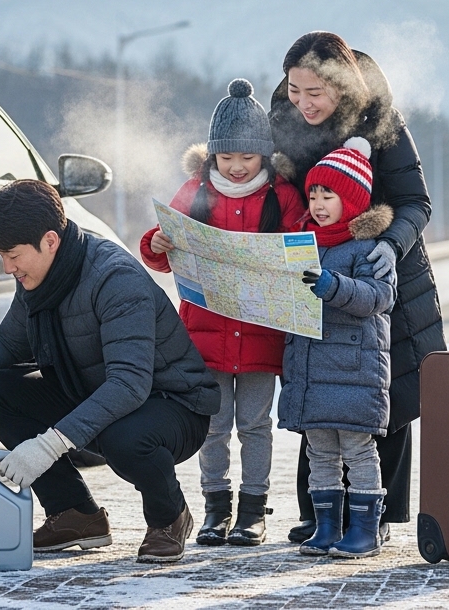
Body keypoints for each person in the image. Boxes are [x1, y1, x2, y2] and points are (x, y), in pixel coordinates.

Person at [0, 180, 220, 563]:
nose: (7, 267)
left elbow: (129, 384)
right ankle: (76, 514)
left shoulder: (114, 278)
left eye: (13, 255)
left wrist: (47, 446)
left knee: (126, 437)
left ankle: (169, 518)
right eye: (1, 255)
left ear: (50, 240)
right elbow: (7, 343)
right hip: (95, 393)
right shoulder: (39, 276)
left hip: (171, 404)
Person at [269, 31, 446, 544]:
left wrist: (390, 246)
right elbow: (259, 181)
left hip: (381, 265)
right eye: (294, 89)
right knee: (319, 383)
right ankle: (319, 513)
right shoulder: (283, 117)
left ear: (342, 87)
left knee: (380, 392)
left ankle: (379, 517)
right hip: (314, 267)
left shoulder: (380, 119)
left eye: (314, 94)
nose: (303, 102)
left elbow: (417, 201)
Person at [138, 78, 305, 547]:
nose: (236, 167)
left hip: (260, 335)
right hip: (204, 339)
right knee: (213, 426)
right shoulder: (193, 193)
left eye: (247, 158)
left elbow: (302, 251)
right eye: (226, 158)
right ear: (212, 156)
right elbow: (157, 251)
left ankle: (253, 511)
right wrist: (158, 242)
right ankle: (215, 509)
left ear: (264, 157)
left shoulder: (282, 196)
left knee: (255, 425)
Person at [281, 137, 396, 558]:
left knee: (358, 450)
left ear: (352, 199)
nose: (318, 203)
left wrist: (333, 285)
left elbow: (378, 298)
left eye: (328, 194)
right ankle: (327, 526)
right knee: (320, 451)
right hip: (311, 368)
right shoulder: (299, 242)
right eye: (313, 194)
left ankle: (365, 529)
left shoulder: (368, 247)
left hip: (353, 369)